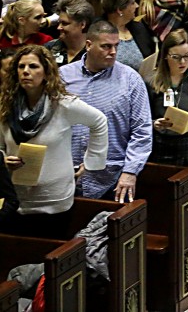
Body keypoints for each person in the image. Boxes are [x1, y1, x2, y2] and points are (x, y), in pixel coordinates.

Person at [0, 45, 107, 237]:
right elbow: (1, 146)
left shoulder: (63, 105)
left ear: (46, 72)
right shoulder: (6, 106)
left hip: (54, 202)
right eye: (21, 67)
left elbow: (99, 121)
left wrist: (92, 162)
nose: (26, 71)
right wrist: (3, 160)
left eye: (33, 66)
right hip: (16, 200)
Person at [60, 20, 152, 202]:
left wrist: (130, 172)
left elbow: (142, 131)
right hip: (67, 175)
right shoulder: (63, 76)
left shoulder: (130, 79)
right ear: (88, 45)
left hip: (113, 179)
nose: (113, 52)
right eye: (106, 46)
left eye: (116, 46)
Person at [144, 29, 188, 166]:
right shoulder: (151, 82)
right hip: (162, 145)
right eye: (176, 57)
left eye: (187, 56)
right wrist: (154, 124)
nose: (183, 62)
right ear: (166, 55)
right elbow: (142, 120)